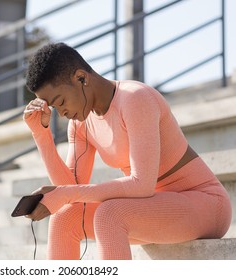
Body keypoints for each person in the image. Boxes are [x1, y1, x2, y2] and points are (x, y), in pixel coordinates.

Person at [22, 42, 232, 260]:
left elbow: (142, 184)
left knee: (109, 215)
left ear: (81, 78)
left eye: (61, 102)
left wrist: (65, 193)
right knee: (65, 217)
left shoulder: (135, 98)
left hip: (203, 203)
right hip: (148, 210)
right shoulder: (80, 123)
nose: (62, 114)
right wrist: (41, 134)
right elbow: (71, 191)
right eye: (55, 109)